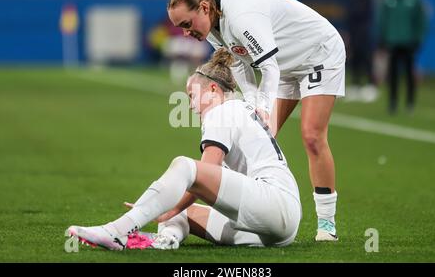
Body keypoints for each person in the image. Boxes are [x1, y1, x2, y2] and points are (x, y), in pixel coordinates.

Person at [167, 0, 345, 241]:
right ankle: (254, 209)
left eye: (187, 23)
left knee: (311, 136)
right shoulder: (214, 26)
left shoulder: (239, 16)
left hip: (317, 53)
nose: (186, 32)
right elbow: (240, 65)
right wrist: (252, 104)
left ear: (204, 7)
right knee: (261, 136)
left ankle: (326, 224)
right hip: (285, 63)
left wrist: (261, 105)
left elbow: (268, 67)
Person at [67, 49, 301, 250]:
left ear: (212, 89)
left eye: (192, 95)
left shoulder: (222, 112)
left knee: (185, 166)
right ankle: (165, 241)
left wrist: (165, 207)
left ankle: (116, 230)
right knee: (181, 212)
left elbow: (206, 172)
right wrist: (173, 208)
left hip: (272, 204)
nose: (190, 104)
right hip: (277, 225)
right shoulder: (239, 109)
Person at [378, 0, 426, 114]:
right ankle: (393, 102)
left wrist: (418, 38)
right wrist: (383, 38)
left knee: (410, 74)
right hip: (392, 41)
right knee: (392, 75)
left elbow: (420, 20)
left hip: (409, 42)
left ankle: (410, 103)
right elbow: (382, 20)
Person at [346, 0, 378, 103]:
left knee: (367, 60)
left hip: (364, 36)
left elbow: (366, 18)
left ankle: (371, 86)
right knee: (355, 61)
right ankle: (355, 86)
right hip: (354, 36)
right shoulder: (352, 0)